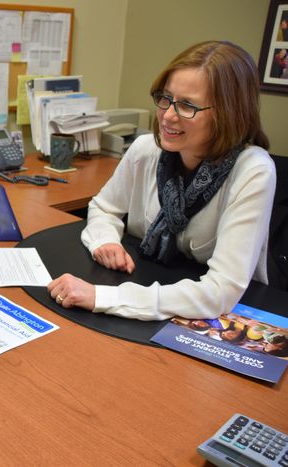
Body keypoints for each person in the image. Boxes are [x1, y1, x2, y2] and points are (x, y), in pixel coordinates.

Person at [47, 41, 276, 321]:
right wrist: (105, 241)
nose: (168, 115)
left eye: (187, 105)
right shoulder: (146, 149)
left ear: (227, 113)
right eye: (166, 98)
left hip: (212, 313)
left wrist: (102, 296)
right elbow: (105, 208)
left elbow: (220, 292)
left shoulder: (253, 170)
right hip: (146, 286)